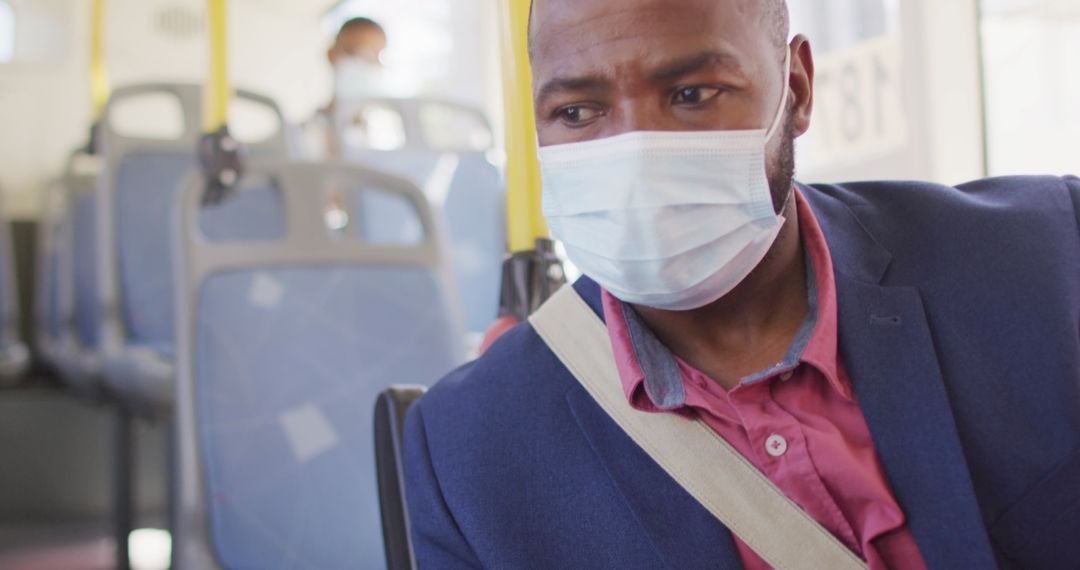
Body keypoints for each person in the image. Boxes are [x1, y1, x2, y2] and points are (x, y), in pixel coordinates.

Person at [403, 0, 1080, 568]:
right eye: (578, 112)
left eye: (691, 94)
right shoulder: (470, 455)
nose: (636, 155)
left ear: (797, 88)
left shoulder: (1047, 259)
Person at [300, 17, 388, 160]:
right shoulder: (299, 137)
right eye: (358, 53)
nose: (369, 64)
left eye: (376, 57)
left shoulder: (380, 138)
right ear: (333, 55)